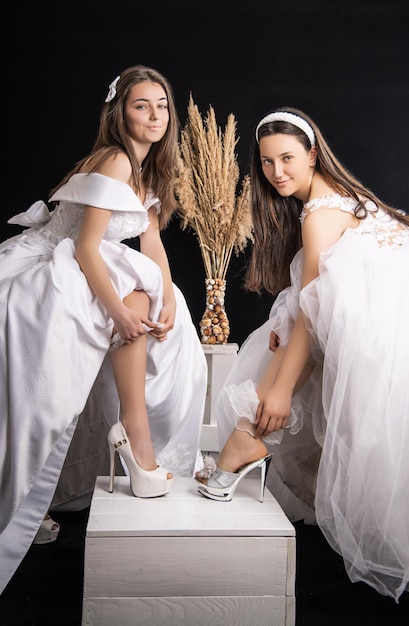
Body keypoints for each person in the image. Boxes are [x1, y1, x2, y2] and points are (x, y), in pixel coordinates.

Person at [0, 65, 207, 593]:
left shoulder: (151, 169)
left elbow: (153, 245)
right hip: (54, 265)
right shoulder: (115, 159)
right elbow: (85, 248)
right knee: (125, 301)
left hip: (86, 262)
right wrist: (119, 311)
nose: (155, 116)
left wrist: (165, 303)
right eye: (142, 105)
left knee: (158, 299)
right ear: (120, 112)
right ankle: (137, 446)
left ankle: (136, 441)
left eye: (162, 105)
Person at [195, 107, 409, 601]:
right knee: (284, 331)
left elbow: (318, 317)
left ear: (313, 155)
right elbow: (315, 301)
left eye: (288, 158)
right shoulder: (338, 200)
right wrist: (289, 319)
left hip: (387, 322)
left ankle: (243, 440)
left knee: (297, 341)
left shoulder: (319, 216)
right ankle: (243, 441)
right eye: (267, 163)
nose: (277, 173)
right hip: (373, 312)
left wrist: (283, 391)